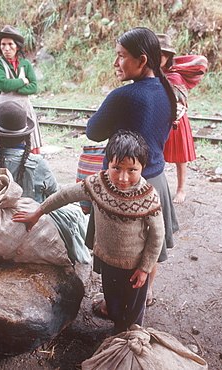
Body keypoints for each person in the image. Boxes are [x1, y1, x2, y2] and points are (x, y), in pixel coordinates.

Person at [12, 130, 165, 334]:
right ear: (107, 163)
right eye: (116, 168)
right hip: (107, 260)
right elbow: (65, 195)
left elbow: (157, 235)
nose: (123, 177)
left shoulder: (147, 197)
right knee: (113, 296)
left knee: (133, 308)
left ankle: (128, 338)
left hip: (134, 264)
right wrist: (38, 212)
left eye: (132, 170)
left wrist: (145, 267)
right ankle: (114, 319)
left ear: (142, 168)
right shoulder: (97, 184)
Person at [85, 27, 179, 310]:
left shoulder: (124, 96)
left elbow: (93, 131)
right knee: (150, 247)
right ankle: (145, 294)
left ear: (141, 60)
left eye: (121, 56)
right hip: (157, 181)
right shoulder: (167, 89)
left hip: (125, 186)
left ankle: (116, 307)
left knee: (122, 254)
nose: (115, 63)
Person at [0, 101, 90, 265]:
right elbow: (54, 194)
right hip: (31, 221)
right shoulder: (38, 163)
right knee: (75, 213)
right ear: (26, 135)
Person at [157, 33, 208, 203]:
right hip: (158, 120)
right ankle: (157, 187)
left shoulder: (175, 76)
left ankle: (181, 190)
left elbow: (179, 101)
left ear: (168, 57)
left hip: (177, 121)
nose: (157, 58)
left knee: (181, 157)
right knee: (157, 154)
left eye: (161, 55)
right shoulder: (151, 73)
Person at [0, 25, 42, 154]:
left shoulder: (25, 64)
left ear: (17, 46)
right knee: (3, 147)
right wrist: (23, 81)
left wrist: (13, 87)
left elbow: (34, 87)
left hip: (24, 110)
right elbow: (3, 85)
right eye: (3, 44)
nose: (7, 48)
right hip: (2, 112)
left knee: (28, 144)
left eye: (10, 44)